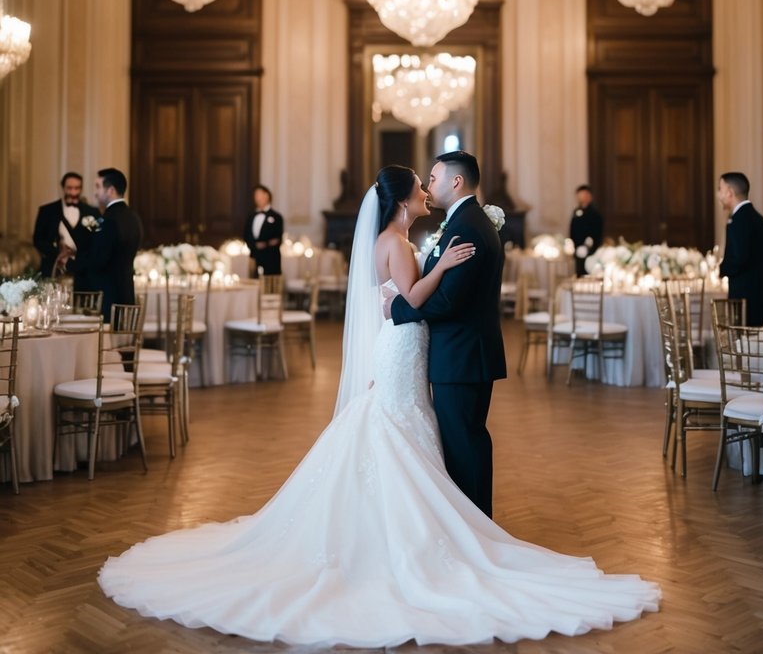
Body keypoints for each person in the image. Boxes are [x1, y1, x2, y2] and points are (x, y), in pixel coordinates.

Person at [98, 163, 660, 645]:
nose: (426, 192)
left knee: (401, 429)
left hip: (404, 349)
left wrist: (431, 268)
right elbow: (411, 299)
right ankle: (419, 539)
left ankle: (430, 530)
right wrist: (442, 266)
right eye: (419, 187)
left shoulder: (395, 240)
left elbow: (399, 304)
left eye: (429, 182)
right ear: (400, 199)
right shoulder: (397, 244)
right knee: (399, 430)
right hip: (403, 347)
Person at [389, 149, 505, 516]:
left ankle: (477, 530)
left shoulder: (467, 226)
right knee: (462, 443)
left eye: (434, 178)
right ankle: (474, 528)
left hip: (463, 355)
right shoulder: (464, 221)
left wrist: (395, 309)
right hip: (462, 353)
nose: (429, 185)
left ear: (456, 182)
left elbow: (448, 302)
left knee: (465, 445)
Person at [75, 168, 143, 319]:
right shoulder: (133, 218)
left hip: (108, 299)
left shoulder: (109, 220)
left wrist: (74, 261)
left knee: (105, 342)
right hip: (126, 294)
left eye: (98, 187)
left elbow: (99, 259)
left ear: (110, 190)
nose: (95, 192)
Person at [718, 171, 763, 325]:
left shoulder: (737, 222)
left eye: (720, 189)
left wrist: (721, 269)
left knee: (745, 347)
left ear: (730, 193)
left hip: (746, 302)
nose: (719, 195)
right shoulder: (760, 220)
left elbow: (739, 259)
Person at [32, 171, 98, 278]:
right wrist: (58, 252)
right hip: (53, 267)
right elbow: (37, 240)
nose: (73, 192)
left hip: (83, 270)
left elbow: (97, 239)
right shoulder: (47, 211)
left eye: (77, 188)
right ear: (63, 188)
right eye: (69, 188)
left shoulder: (91, 212)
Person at [242, 184, 283, 275]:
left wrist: (266, 243)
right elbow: (246, 235)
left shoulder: (276, 217)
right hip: (255, 257)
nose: (257, 198)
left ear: (266, 195)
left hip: (271, 259)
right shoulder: (251, 217)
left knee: (270, 285)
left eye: (259, 194)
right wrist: (254, 245)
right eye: (255, 195)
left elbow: (278, 239)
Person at [569, 184, 604, 277]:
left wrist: (588, 246)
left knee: (588, 272)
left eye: (583, 194)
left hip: (590, 251)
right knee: (578, 272)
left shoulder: (594, 213)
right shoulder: (576, 211)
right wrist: (573, 244)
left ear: (589, 196)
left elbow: (596, 232)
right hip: (577, 248)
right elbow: (572, 229)